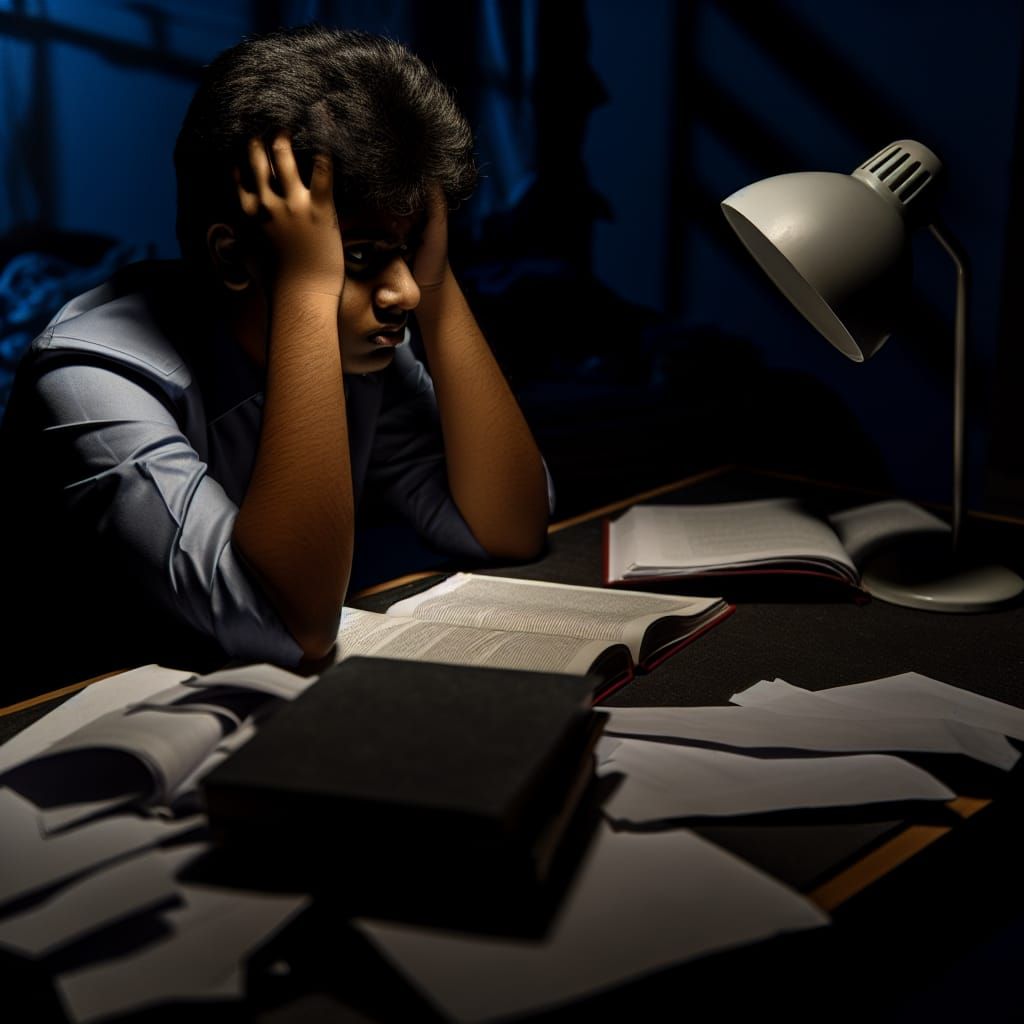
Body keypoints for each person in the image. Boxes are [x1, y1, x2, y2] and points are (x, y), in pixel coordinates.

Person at [0, 26, 552, 690]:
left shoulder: (365, 351)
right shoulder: (90, 379)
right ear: (234, 258)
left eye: (411, 254)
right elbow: (292, 625)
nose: (402, 292)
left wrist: (433, 281)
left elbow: (513, 526)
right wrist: (306, 289)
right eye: (360, 258)